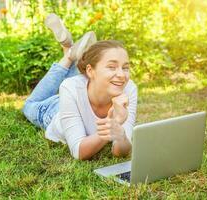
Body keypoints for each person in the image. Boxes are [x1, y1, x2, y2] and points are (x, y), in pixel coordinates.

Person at [22, 14, 138, 160]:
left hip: (82, 92)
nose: (122, 75)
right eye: (112, 67)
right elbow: (79, 152)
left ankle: (70, 51)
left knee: (79, 83)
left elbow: (120, 152)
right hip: (55, 110)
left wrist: (120, 134)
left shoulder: (129, 89)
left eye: (125, 67)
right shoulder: (70, 87)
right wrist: (109, 129)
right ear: (90, 71)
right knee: (29, 105)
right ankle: (69, 55)